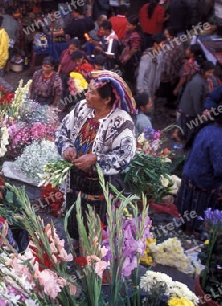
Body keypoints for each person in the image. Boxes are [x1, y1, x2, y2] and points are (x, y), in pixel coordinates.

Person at [55, 70, 137, 240]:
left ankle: (92, 263)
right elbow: (63, 131)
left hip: (101, 189)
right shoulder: (82, 109)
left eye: (92, 92)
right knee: (73, 225)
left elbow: (125, 156)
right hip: (75, 183)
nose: (87, 94)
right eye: (88, 90)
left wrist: (96, 159)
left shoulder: (122, 122)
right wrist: (67, 147)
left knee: (94, 233)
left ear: (106, 100)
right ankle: (74, 256)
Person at [176, 111, 222, 233]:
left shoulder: (208, 127)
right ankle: (189, 240)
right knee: (195, 220)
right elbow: (220, 169)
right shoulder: (219, 138)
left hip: (190, 178)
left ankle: (185, 236)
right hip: (201, 186)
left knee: (187, 217)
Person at [177, 61, 215, 142]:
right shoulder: (197, 82)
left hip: (192, 109)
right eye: (209, 72)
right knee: (189, 128)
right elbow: (196, 101)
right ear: (203, 71)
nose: (211, 74)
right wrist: (199, 114)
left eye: (212, 72)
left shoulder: (202, 79)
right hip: (190, 110)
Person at [157, 27, 184, 108]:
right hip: (177, 70)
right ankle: (171, 102)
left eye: (166, 35)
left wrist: (164, 73)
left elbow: (166, 65)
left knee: (162, 90)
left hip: (168, 74)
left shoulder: (169, 49)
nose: (164, 36)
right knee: (172, 89)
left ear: (171, 36)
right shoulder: (179, 41)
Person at [136, 32, 166, 98]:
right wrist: (140, 89)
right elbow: (141, 74)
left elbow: (159, 70)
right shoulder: (147, 57)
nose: (164, 46)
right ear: (155, 44)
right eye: (162, 43)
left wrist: (157, 84)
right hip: (145, 87)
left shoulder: (160, 54)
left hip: (153, 86)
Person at [120, 15, 142, 88]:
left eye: (129, 25)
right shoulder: (128, 32)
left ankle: (131, 89)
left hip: (131, 59)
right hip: (127, 55)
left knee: (130, 75)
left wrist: (126, 58)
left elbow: (134, 49)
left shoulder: (135, 36)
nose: (127, 26)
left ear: (134, 26)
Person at [1, 6, 19, 73]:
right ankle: (7, 69)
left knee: (1, 54)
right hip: (10, 41)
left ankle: (0, 68)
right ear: (13, 13)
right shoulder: (15, 22)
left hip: (1, 39)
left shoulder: (1, 18)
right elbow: (17, 34)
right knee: (9, 55)